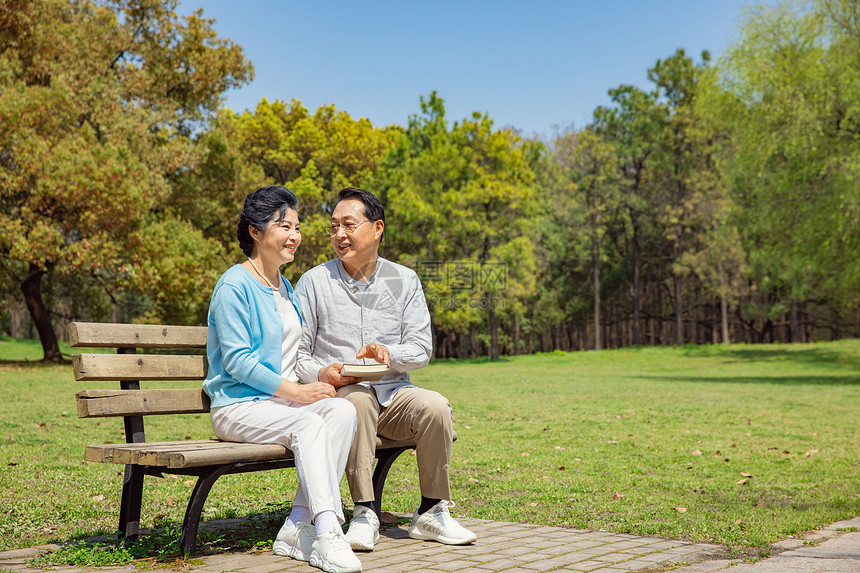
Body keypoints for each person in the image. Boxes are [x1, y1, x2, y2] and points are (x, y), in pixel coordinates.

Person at [295, 187, 477, 552]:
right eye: (333, 227)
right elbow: (298, 354)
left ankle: (431, 511)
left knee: (436, 406)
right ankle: (365, 512)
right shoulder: (314, 282)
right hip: (341, 396)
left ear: (377, 228)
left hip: (394, 393)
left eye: (348, 224)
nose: (339, 235)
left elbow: (422, 348)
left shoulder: (404, 280)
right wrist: (324, 373)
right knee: (357, 402)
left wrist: (388, 355)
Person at [203, 186, 362, 573]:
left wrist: (322, 376)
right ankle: (327, 531)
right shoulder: (234, 285)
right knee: (309, 421)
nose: (294, 235)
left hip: (275, 403)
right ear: (256, 232)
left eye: (297, 226)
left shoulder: (284, 287)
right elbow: (239, 363)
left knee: (341, 412)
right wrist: (298, 393)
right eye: (283, 226)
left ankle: (296, 524)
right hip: (237, 405)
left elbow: (290, 358)